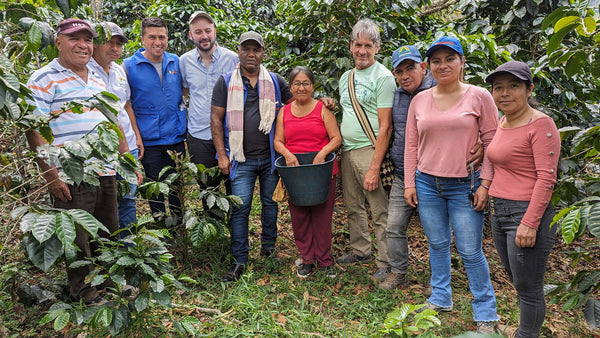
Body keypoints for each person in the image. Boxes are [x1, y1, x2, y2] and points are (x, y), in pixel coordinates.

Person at [403, 36, 499, 334]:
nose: (442, 65)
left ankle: (486, 311)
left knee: (470, 250)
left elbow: (493, 141)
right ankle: (442, 297)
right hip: (427, 182)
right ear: (428, 66)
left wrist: (485, 183)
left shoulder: (479, 96)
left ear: (462, 62)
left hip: (465, 185)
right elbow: (411, 145)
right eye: (436, 61)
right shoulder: (419, 100)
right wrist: (410, 183)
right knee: (438, 243)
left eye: (449, 59)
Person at [25, 18, 124, 304]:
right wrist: (52, 175)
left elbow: (108, 119)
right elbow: (34, 127)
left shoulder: (95, 76)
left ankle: (107, 286)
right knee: (78, 239)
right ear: (58, 43)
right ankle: (85, 293)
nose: (83, 45)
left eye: (88, 40)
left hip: (103, 169)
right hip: (71, 173)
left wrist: (119, 159)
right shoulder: (44, 78)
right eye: (74, 39)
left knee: (106, 232)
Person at [381, 45, 483, 291]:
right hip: (404, 173)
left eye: (411, 68)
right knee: (394, 225)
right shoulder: (398, 95)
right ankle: (398, 271)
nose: (406, 75)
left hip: (442, 175)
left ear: (423, 68)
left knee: (441, 234)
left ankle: (439, 281)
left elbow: (476, 123)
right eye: (399, 71)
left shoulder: (440, 89)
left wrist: (481, 143)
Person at [211, 31, 294, 282]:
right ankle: (239, 260)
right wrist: (222, 155)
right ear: (238, 51)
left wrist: (322, 104)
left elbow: (295, 108)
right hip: (241, 159)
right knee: (240, 208)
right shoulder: (226, 82)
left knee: (270, 205)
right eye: (246, 49)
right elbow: (216, 118)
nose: (251, 54)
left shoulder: (276, 81)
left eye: (256, 50)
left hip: (270, 158)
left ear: (262, 53)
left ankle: (269, 250)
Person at [485, 61, 560, 338]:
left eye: (514, 86)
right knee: (519, 281)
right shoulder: (503, 121)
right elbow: (497, 159)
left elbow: (546, 178)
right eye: (498, 88)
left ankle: (526, 334)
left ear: (529, 89)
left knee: (529, 287)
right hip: (500, 211)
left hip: (525, 214)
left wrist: (529, 223)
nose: (505, 93)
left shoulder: (541, 125)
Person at [336, 18, 396, 280]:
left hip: (370, 150)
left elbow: (386, 127)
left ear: (377, 47)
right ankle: (361, 250)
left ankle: (387, 261)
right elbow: (347, 110)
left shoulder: (383, 78)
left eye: (368, 45)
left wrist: (374, 167)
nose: (362, 50)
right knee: (353, 205)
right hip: (347, 151)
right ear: (351, 46)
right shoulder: (345, 77)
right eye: (358, 44)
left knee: (380, 209)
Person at [273, 66, 342, 278]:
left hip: (322, 170)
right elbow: (278, 141)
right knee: (300, 216)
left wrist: (323, 153)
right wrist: (287, 154)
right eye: (297, 83)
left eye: (306, 83)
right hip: (296, 171)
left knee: (322, 215)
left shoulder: (322, 109)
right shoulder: (284, 112)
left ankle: (324, 259)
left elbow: (336, 138)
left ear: (313, 86)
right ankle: (307, 258)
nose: (301, 88)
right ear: (290, 86)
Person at [123, 17, 186, 223]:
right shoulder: (129, 66)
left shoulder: (175, 61)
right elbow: (126, 104)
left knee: (176, 186)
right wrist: (136, 137)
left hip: (176, 137)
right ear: (142, 39)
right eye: (152, 37)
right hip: (149, 140)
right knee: (155, 187)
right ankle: (160, 224)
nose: (157, 42)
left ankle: (178, 227)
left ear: (167, 38)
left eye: (162, 37)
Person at [89, 22, 143, 238]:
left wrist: (137, 137)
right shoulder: (85, 71)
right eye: (109, 42)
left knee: (128, 199)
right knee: (103, 203)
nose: (114, 48)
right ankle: (107, 250)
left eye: (118, 44)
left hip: (128, 146)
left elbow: (126, 105)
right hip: (101, 151)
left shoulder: (120, 70)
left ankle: (128, 248)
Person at [180, 11, 238, 201]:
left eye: (207, 31)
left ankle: (236, 230)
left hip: (231, 135)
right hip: (199, 136)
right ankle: (212, 229)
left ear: (215, 31)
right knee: (207, 191)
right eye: (198, 32)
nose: (204, 36)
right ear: (191, 35)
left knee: (235, 189)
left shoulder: (232, 59)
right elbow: (183, 92)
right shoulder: (184, 61)